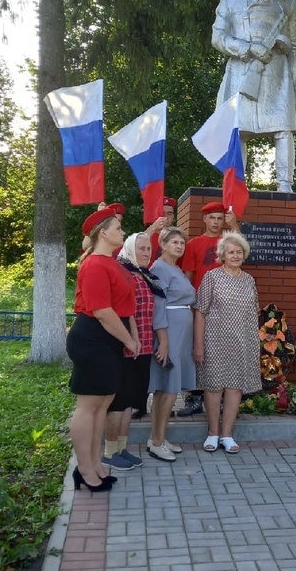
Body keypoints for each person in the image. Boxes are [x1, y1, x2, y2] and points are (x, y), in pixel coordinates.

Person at [212, 0, 296, 193]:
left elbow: (294, 48)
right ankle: (236, 185)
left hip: (277, 72)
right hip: (242, 71)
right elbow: (218, 38)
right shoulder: (230, 0)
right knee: (239, 130)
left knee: (284, 129)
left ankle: (285, 186)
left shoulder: (288, 3)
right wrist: (247, 47)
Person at [66, 204, 138, 493]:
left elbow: (124, 306)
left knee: (103, 404)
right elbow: (101, 311)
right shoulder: (94, 264)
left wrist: (131, 334)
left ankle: (95, 464)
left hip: (108, 337)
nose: (123, 231)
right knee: (88, 406)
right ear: (103, 233)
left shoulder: (112, 263)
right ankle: (83, 469)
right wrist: (128, 340)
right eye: (118, 227)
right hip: (94, 338)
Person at [193, 231, 261, 454]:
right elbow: (200, 311)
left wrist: (254, 345)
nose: (235, 255)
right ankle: (213, 433)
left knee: (235, 387)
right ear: (222, 255)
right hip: (214, 342)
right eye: (230, 252)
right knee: (213, 387)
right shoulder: (212, 277)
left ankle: (227, 435)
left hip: (242, 342)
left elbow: (253, 314)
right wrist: (199, 344)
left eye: (239, 252)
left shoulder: (249, 280)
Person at [101, 232, 161, 472]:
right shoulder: (124, 273)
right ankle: (108, 452)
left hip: (144, 347)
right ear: (129, 249)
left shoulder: (143, 275)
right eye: (142, 248)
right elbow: (125, 312)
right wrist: (131, 341)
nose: (146, 252)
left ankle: (121, 449)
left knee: (130, 403)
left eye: (149, 249)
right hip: (127, 348)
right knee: (118, 403)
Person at [178, 201, 238, 415]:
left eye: (220, 218)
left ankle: (220, 397)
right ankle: (194, 397)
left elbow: (241, 250)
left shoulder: (229, 241)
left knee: (222, 350)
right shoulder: (194, 244)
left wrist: (235, 225)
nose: (215, 222)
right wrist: (188, 303)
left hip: (226, 304)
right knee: (197, 348)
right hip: (200, 304)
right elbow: (188, 276)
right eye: (212, 217)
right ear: (204, 219)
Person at [146, 227, 195, 462]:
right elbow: (157, 306)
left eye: (182, 243)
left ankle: (159, 437)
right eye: (174, 242)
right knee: (168, 387)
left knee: (166, 388)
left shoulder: (174, 268)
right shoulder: (159, 269)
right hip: (170, 333)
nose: (179, 246)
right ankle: (156, 441)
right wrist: (163, 341)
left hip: (180, 332)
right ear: (162, 245)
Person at [146, 195, 178, 262]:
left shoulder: (177, 238)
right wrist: (153, 227)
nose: (166, 217)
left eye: (169, 213)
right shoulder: (149, 235)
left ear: (173, 216)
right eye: (162, 213)